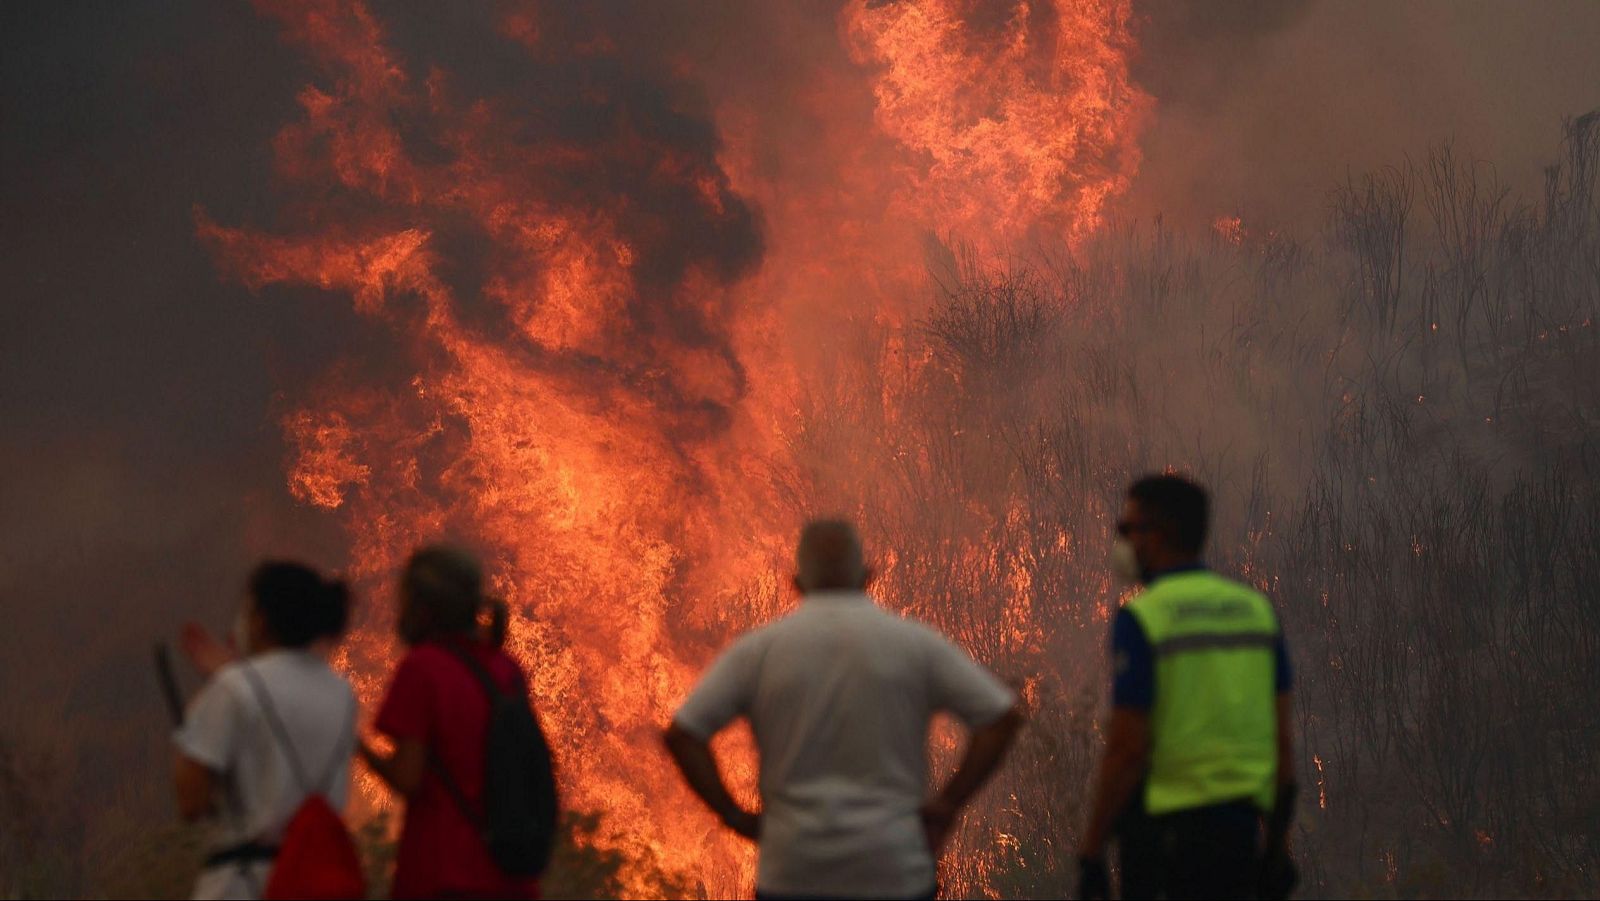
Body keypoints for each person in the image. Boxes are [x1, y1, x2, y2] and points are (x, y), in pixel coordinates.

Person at [664, 519, 1025, 901]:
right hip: (892, 872)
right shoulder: (914, 644)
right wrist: (948, 803)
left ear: (797, 583)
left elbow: (685, 735)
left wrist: (734, 816)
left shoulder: (759, 651)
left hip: (793, 875)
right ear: (867, 577)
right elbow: (1000, 720)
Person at [1077, 475, 1298, 900]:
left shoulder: (1143, 617)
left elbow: (1127, 749)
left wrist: (1091, 851)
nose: (1122, 543)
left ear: (1158, 535)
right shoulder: (1255, 612)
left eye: (1128, 529)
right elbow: (1282, 746)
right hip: (1239, 838)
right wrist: (1275, 849)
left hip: (1166, 843)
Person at [359, 544, 540, 900]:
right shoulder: (506, 668)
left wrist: (357, 747)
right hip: (509, 878)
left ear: (424, 607)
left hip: (444, 874)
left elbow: (408, 776)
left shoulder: (423, 668)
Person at [172, 561, 357, 900]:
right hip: (319, 882)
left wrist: (213, 691)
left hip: (244, 883)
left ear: (261, 619)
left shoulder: (233, 688)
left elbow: (191, 801)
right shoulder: (341, 692)